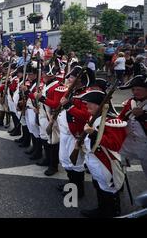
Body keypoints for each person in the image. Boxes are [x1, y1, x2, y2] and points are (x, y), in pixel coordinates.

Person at [79, 90, 127, 218]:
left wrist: (93, 133)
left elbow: (115, 145)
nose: (87, 106)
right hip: (94, 159)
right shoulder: (94, 117)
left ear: (99, 105)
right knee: (99, 185)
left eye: (90, 103)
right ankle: (102, 209)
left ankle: (113, 213)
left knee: (109, 188)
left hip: (105, 161)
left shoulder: (111, 121)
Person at [57, 66, 94, 198]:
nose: (69, 79)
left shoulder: (86, 94)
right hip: (65, 133)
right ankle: (71, 183)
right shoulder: (72, 91)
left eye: (72, 77)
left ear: (80, 80)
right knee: (65, 160)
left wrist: (69, 106)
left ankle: (78, 190)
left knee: (76, 163)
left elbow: (86, 116)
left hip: (75, 134)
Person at [32, 63, 64, 176]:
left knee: (53, 141)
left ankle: (53, 165)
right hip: (42, 115)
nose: (43, 75)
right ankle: (47, 159)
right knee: (45, 138)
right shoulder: (46, 84)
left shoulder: (58, 87)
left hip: (50, 118)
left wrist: (42, 98)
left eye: (45, 73)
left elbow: (56, 105)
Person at [118, 75, 147, 178]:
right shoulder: (131, 102)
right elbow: (121, 118)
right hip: (129, 142)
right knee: (118, 160)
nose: (135, 92)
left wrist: (143, 116)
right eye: (133, 89)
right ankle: (119, 183)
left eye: (138, 89)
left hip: (145, 143)